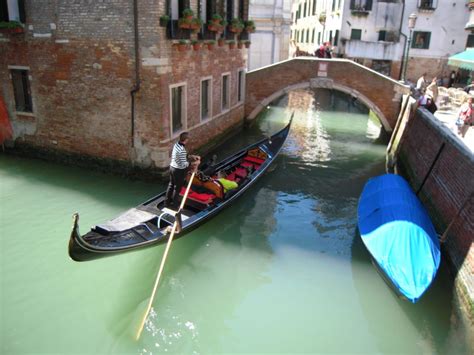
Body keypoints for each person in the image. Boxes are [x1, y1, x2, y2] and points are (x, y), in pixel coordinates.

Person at [165, 132, 200, 208]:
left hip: (172, 168)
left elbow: (181, 156)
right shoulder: (182, 150)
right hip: (178, 170)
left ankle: (166, 203)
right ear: (186, 140)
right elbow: (184, 164)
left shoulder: (176, 145)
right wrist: (194, 163)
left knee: (171, 185)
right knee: (177, 188)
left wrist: (191, 156)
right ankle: (175, 206)